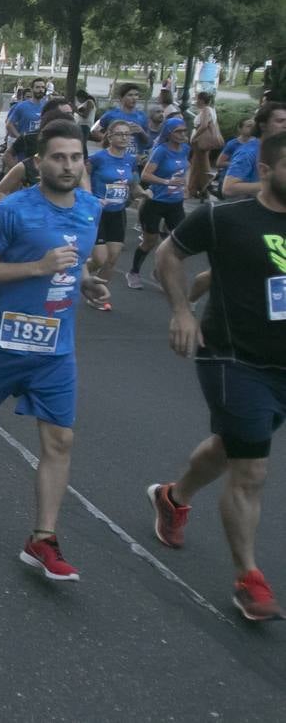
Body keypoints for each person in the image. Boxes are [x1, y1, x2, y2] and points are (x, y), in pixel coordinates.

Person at [0, 121, 108, 580]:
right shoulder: (14, 210)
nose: (68, 165)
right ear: (38, 162)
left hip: (56, 349)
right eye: (58, 157)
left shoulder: (91, 209)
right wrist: (36, 266)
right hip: (4, 343)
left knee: (60, 440)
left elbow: (70, 267)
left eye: (76, 158)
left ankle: (42, 539)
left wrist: (87, 282)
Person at [146, 130, 286, 620]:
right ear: (265, 171)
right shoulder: (225, 217)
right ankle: (249, 578)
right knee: (252, 468)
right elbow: (169, 255)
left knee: (232, 447)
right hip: (232, 356)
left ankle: (173, 496)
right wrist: (182, 311)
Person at [84, 121, 144, 309]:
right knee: (100, 259)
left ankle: (98, 296)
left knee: (112, 258)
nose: (124, 137)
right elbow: (82, 178)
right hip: (97, 213)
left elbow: (133, 184)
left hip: (118, 213)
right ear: (109, 136)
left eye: (127, 134)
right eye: (120, 134)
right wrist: (91, 198)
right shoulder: (98, 159)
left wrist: (143, 193)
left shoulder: (130, 160)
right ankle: (79, 271)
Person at [127, 118, 191, 290]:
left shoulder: (186, 148)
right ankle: (133, 272)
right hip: (155, 202)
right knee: (150, 241)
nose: (183, 134)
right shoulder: (161, 151)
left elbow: (186, 167)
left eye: (184, 130)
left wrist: (186, 185)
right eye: (178, 131)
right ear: (169, 133)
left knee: (179, 243)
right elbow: (145, 176)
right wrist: (166, 182)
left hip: (175, 203)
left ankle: (158, 272)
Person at [223, 102, 286, 199]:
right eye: (280, 121)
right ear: (263, 126)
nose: (285, 125)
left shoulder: (279, 149)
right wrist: (272, 186)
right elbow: (228, 188)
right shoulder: (248, 152)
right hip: (252, 209)